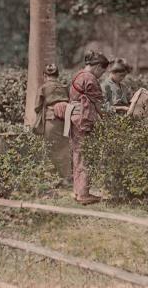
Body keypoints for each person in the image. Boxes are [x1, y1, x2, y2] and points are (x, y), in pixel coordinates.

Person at [64, 51, 109, 205]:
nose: (101, 75)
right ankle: (84, 194)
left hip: (74, 117)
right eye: (102, 71)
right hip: (83, 118)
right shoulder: (90, 78)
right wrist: (107, 118)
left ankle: (77, 191)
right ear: (96, 66)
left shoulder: (78, 75)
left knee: (77, 154)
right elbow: (98, 104)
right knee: (85, 155)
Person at [33, 64, 71, 180]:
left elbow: (37, 107)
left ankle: (53, 178)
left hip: (51, 120)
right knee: (64, 148)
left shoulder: (43, 88)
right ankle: (66, 177)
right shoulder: (64, 87)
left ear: (45, 75)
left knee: (50, 148)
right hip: (65, 121)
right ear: (57, 75)